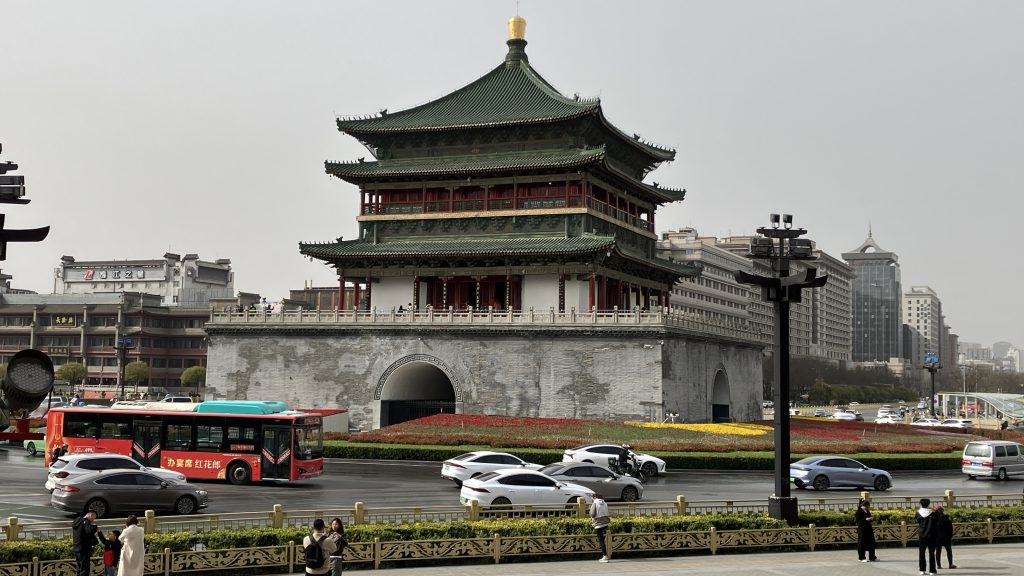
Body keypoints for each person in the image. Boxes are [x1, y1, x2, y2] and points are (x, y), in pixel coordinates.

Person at [71, 511, 99, 576]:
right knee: (84, 568)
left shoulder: (77, 521)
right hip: (84, 549)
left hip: (76, 547)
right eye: (93, 518)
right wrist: (95, 527)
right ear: (91, 515)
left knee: (79, 567)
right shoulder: (86, 521)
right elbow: (88, 531)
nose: (92, 520)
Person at [916, 498, 937, 575]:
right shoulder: (933, 514)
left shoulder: (918, 513)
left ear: (921, 504)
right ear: (928, 504)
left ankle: (922, 569)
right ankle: (932, 570)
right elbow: (936, 523)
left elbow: (918, 521)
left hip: (922, 535)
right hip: (931, 535)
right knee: (931, 553)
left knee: (922, 553)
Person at [934, 505, 956, 569]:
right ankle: (950, 564)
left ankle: (938, 565)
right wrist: (950, 536)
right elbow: (950, 528)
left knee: (938, 551)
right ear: (942, 511)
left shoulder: (933, 518)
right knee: (949, 550)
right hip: (946, 537)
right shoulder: (946, 517)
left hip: (937, 538)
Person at [589, 496, 610, 563]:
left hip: (598, 524)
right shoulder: (605, 503)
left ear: (594, 497)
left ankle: (605, 556)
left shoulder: (595, 503)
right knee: (604, 540)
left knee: (601, 541)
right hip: (606, 523)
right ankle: (605, 555)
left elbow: (592, 514)